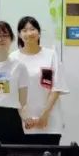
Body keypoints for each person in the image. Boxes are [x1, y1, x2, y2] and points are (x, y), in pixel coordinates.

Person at [12, 16, 69, 145]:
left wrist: (44, 115)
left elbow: (57, 87)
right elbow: (12, 93)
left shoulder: (51, 55)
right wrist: (25, 117)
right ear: (19, 35)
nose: (29, 33)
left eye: (32, 29)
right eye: (24, 30)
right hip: (22, 122)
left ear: (39, 32)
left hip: (49, 121)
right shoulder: (13, 58)